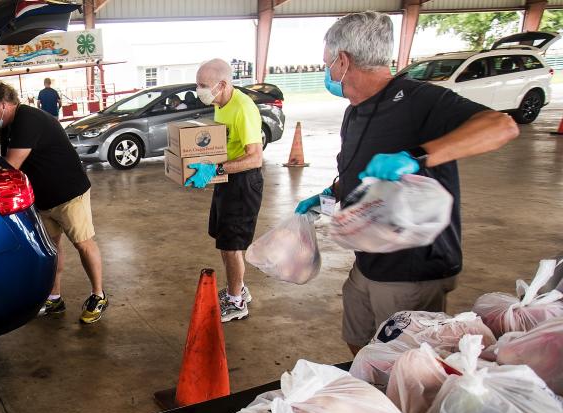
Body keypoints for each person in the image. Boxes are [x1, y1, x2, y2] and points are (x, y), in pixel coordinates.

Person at [294, 11, 518, 356]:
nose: (327, 71)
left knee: (407, 361)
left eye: (326, 63)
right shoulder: (356, 109)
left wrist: (418, 156)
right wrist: (331, 193)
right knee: (359, 341)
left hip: (412, 268)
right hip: (370, 257)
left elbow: (501, 127)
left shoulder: (418, 100)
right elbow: (362, 170)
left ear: (342, 60)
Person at [0, 79, 108, 324]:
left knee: (83, 243)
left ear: (3, 104)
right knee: (51, 249)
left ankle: (98, 295)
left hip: (69, 193)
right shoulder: (10, 124)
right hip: (43, 197)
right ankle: (54, 298)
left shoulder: (28, 119)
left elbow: (11, 166)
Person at [184, 59, 265, 322]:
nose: (199, 91)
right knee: (224, 239)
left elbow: (255, 158)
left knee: (232, 245)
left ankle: (236, 301)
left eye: (203, 86)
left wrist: (216, 171)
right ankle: (237, 287)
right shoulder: (221, 104)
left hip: (243, 182)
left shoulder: (243, 109)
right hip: (227, 178)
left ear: (222, 84)